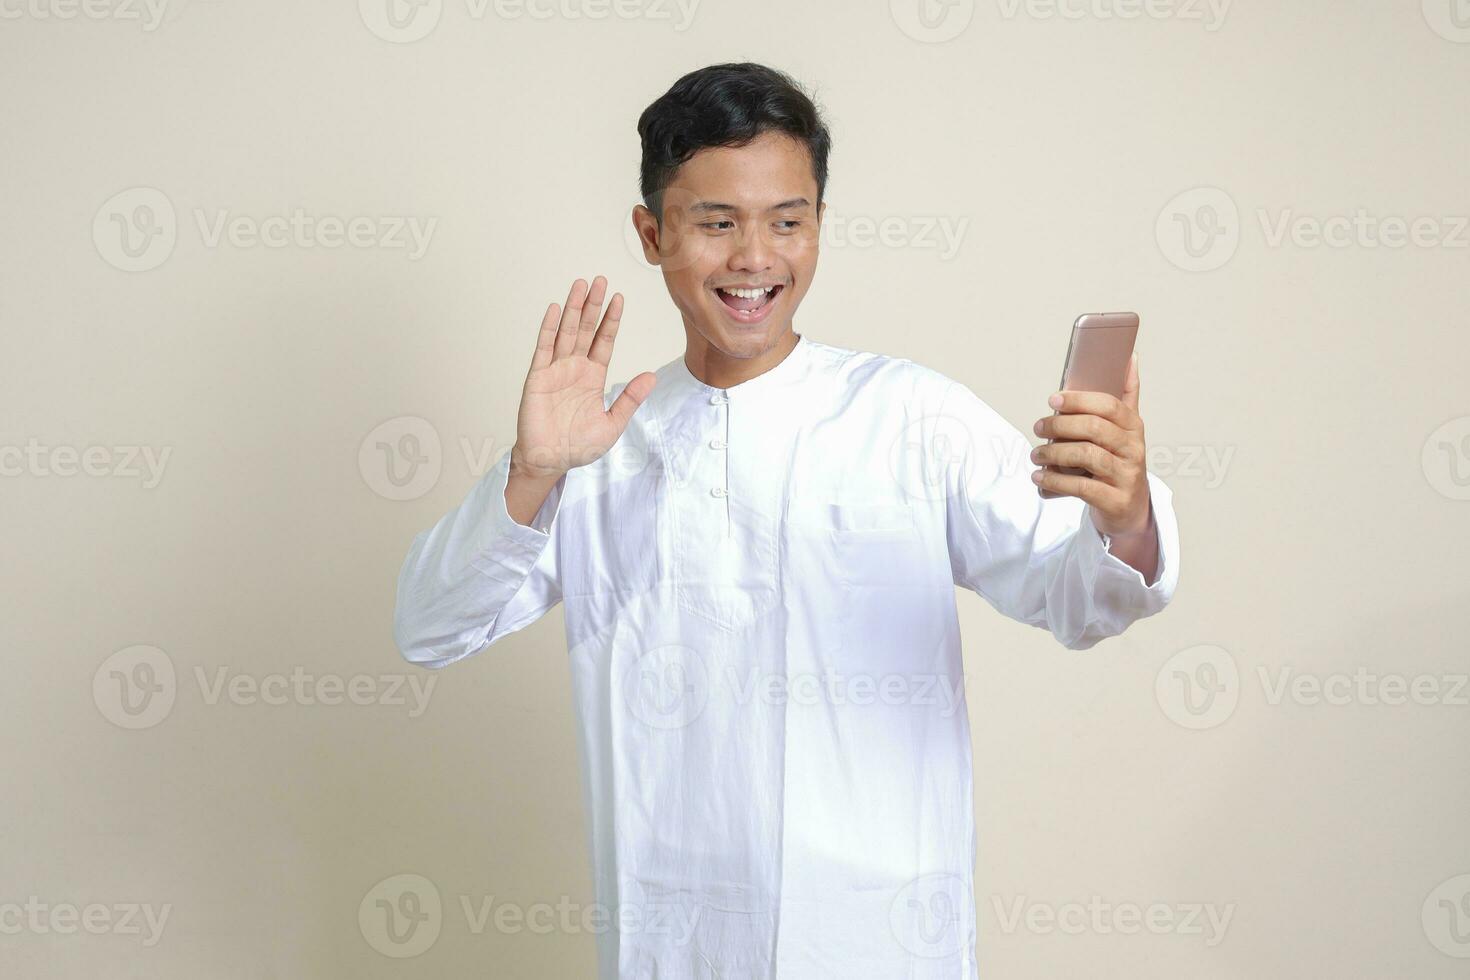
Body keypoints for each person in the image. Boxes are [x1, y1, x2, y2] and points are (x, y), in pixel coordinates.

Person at [393, 61, 1179, 980]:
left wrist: (1122, 517)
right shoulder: (597, 444)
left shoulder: (909, 415)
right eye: (716, 222)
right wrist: (532, 473)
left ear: (818, 229)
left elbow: (1078, 598)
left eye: (787, 221)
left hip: (880, 946)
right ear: (652, 234)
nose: (755, 258)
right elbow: (429, 628)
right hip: (672, 942)